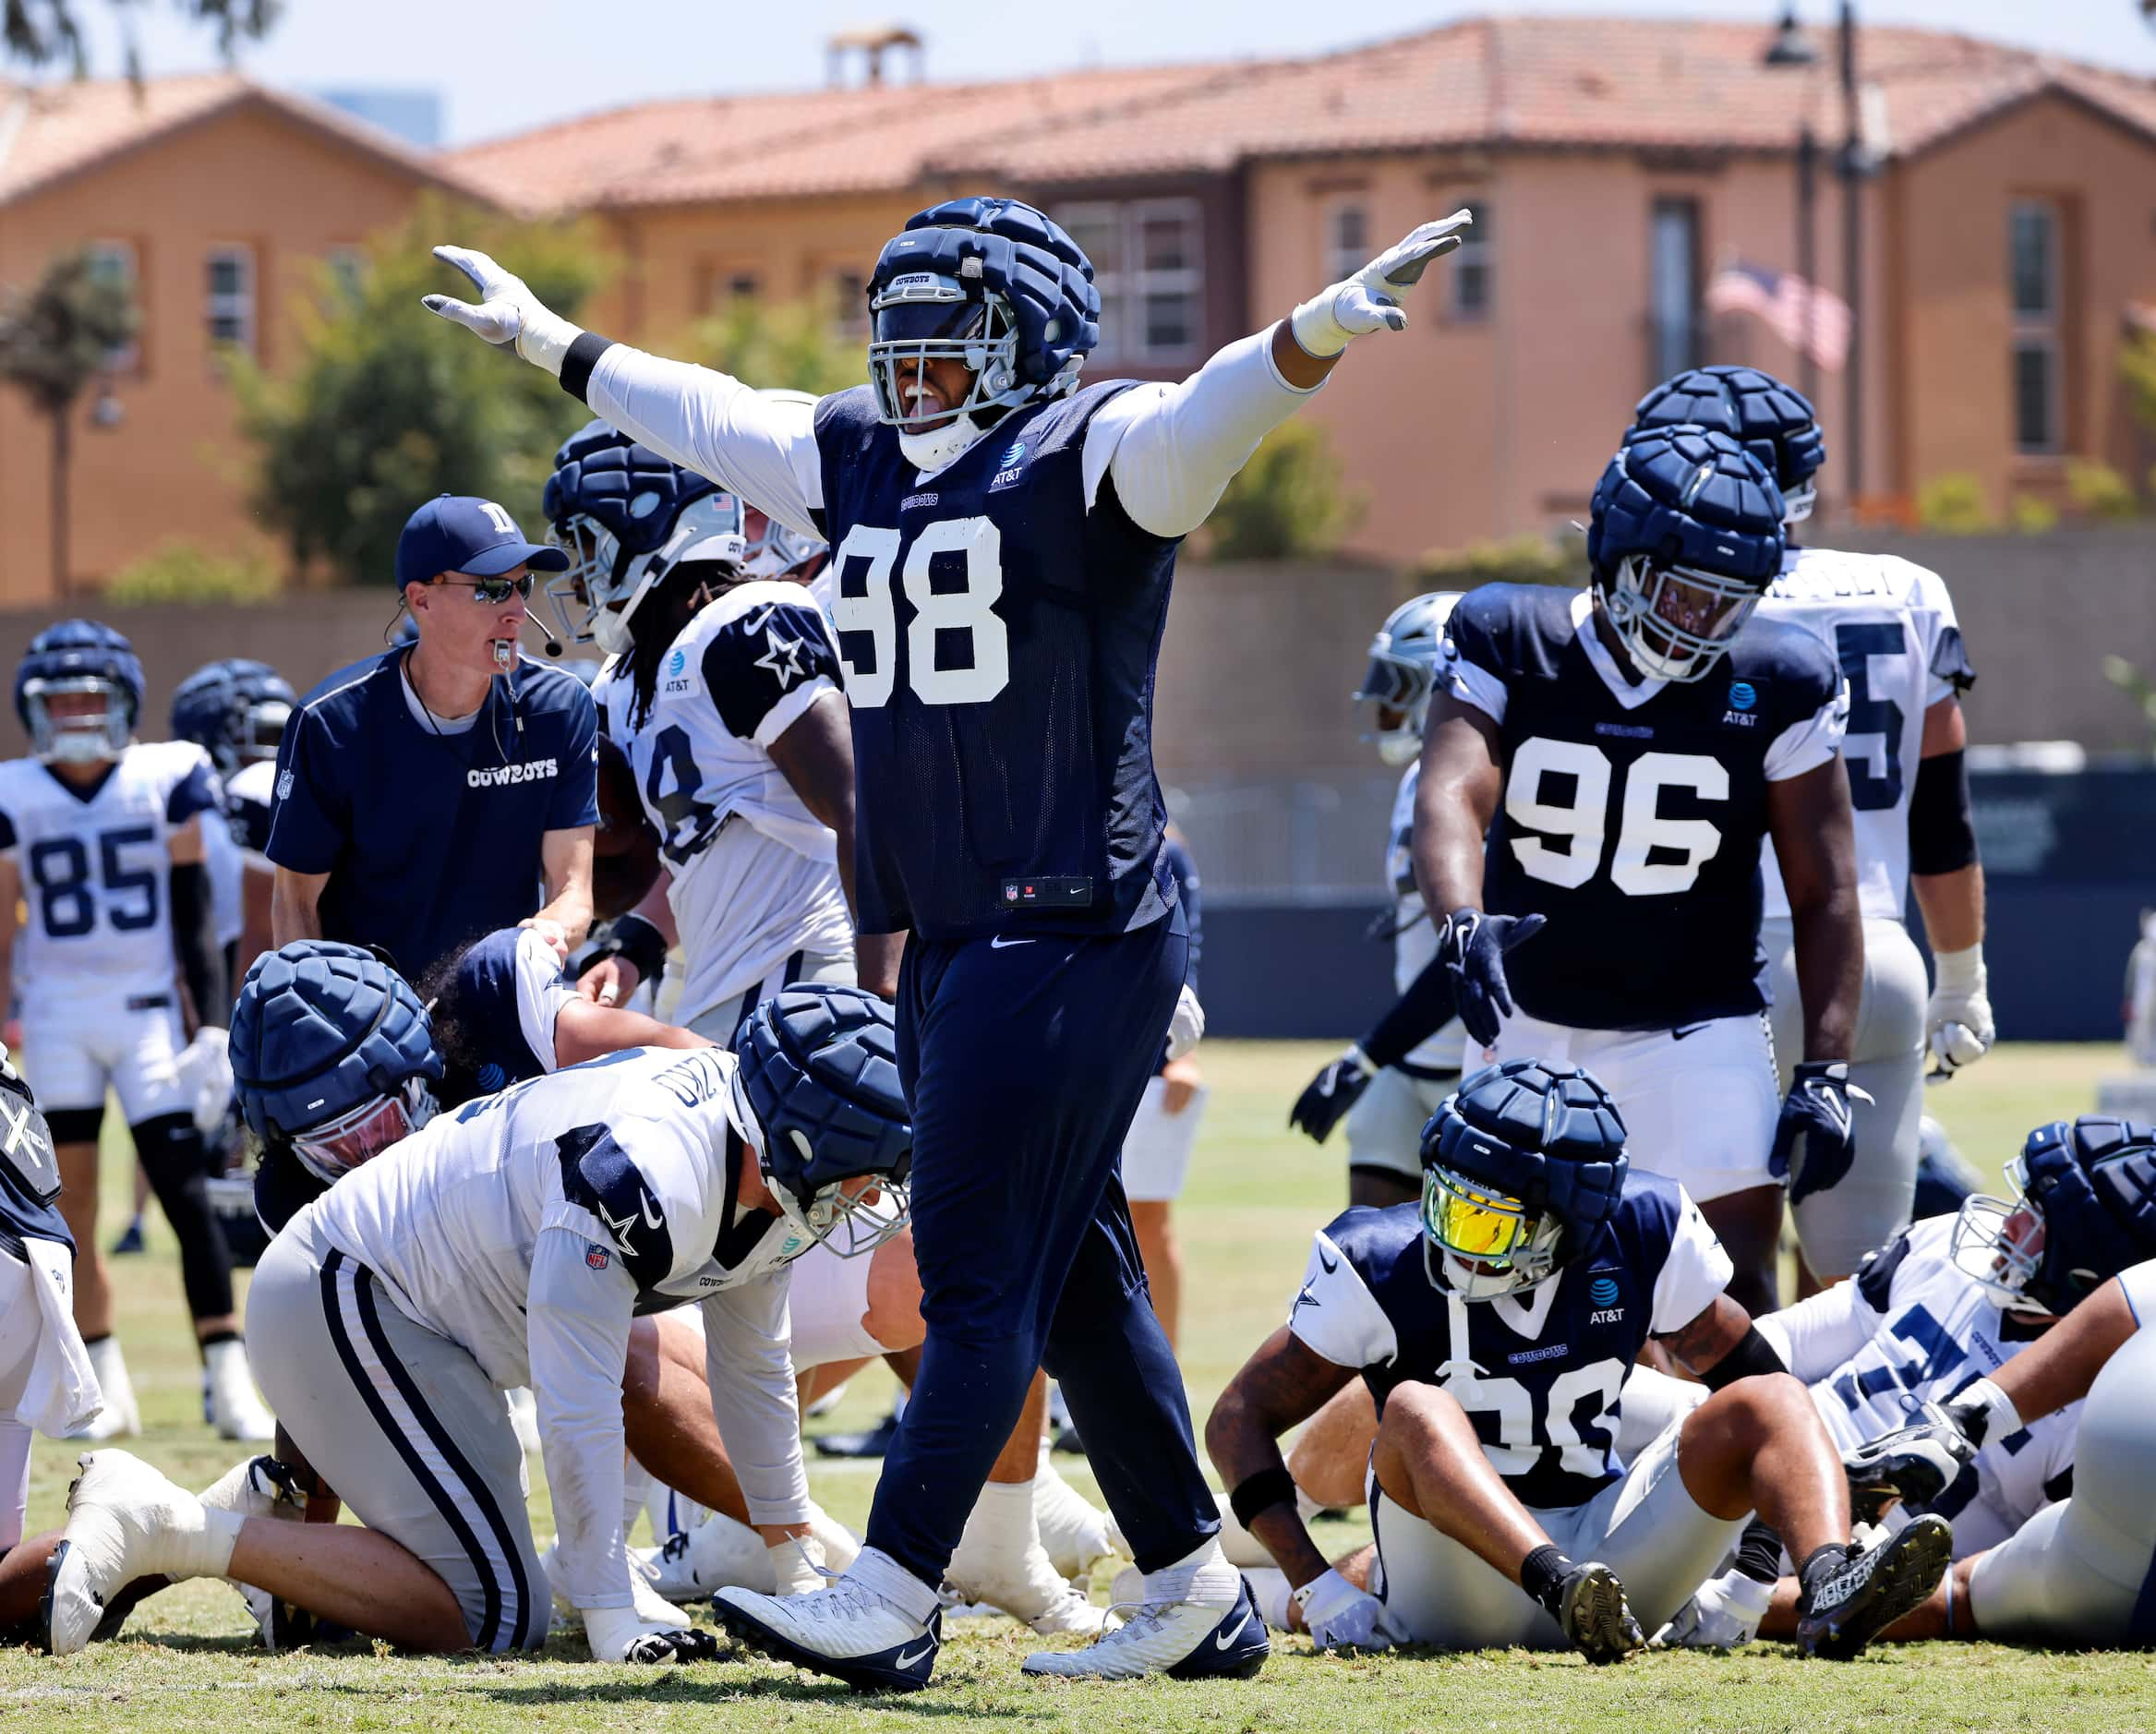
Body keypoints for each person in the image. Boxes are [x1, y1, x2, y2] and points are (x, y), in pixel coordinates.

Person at [426, 194, 1476, 1686]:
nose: (914, 365)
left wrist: (1310, 334)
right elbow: (713, 414)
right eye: (900, 334)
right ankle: (1189, 1582)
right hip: (964, 932)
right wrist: (550, 342)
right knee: (1083, 1269)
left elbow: (1207, 416)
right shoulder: (854, 455)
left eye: (950, 337)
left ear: (1032, 340)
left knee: (974, 1267)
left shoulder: (1091, 452)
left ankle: (899, 1584)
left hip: (1075, 919)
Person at [43, 965, 915, 1660]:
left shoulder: (758, 1154)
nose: (875, 1193)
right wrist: (608, 1603)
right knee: (491, 1613)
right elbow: (577, 1403)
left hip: (432, 1327)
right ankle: (167, 1524)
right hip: (347, 1288)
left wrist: (799, 1569)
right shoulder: (647, 1174)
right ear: (800, 1142)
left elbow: (754, 1371)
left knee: (491, 1593)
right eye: (868, 1169)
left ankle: (258, 1532)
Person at [1205, 1058, 1952, 1662]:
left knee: (1770, 1399)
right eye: (1444, 1202)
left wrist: (1754, 1574)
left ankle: (1828, 1583)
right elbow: (1238, 1418)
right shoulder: (1378, 1259)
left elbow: (1765, 1400)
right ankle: (1549, 1583)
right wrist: (1316, 1587)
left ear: (1573, 1223)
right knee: (1411, 1405)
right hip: (1452, 1577)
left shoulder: (1641, 1231)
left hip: (1610, 1569)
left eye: (1487, 1223)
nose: (1451, 1239)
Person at [1412, 427, 1861, 1315]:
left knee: (1726, 1301)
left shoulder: (1781, 674)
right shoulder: (1508, 634)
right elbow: (1453, 790)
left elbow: (1827, 887)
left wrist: (1827, 1068)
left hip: (1697, 1029)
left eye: (1723, 604)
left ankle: (1728, 1457)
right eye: (1679, 592)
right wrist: (1461, 923)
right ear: (1616, 553)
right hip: (1526, 1021)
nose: (1696, 621)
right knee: (1492, 1298)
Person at [1630, 367, 1988, 1281]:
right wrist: (1960, 979)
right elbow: (1941, 817)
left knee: (1702, 1307)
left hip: (1703, 976)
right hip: (1871, 961)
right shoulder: (1905, 590)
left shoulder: (1660, 605)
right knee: (1851, 1302)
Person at [1651, 1113, 2156, 1649]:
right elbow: (1785, 1346)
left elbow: (1997, 1582)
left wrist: (1768, 1604)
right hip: (1731, 1466)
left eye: (2036, 1217)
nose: (2009, 1221)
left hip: (1839, 1562)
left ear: (2089, 1267)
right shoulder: (1943, 1248)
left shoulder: (2105, 1411)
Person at [0, 622, 270, 1440]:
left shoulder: (167, 775)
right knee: (66, 1208)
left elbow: (195, 917)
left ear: (125, 702)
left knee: (186, 1198)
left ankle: (228, 1383)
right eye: (64, 699)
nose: (80, 712)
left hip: (149, 1012)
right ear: (33, 709)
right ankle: (97, 1380)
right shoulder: (16, 791)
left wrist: (213, 1021)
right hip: (54, 1015)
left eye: (94, 696)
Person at [538, 423, 897, 1028]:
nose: (577, 578)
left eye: (588, 546)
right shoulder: (622, 680)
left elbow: (860, 803)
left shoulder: (746, 622)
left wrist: (883, 996)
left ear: (646, 523)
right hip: (728, 988)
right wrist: (637, 944)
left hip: (806, 979)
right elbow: (701, 852)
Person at [267, 494, 598, 981]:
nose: (516, 611)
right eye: (490, 590)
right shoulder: (330, 723)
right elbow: (295, 905)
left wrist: (539, 938)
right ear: (421, 598)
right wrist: (323, 1018)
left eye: (521, 586)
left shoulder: (560, 706)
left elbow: (574, 890)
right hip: (373, 1020)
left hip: (503, 1005)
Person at [1290, 592, 1472, 1207]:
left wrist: (1363, 1059)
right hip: (1410, 1055)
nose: (1387, 708)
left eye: (1400, 685)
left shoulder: (1491, 779)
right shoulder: (1415, 780)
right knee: (1364, 1256)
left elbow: (1469, 950)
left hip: (1479, 1062)